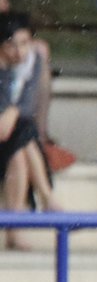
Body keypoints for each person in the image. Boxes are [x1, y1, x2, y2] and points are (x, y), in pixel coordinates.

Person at [0, 13, 60, 251]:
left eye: (24, 43)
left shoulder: (33, 62)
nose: (19, 51)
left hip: (13, 139)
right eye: (11, 45)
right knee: (24, 132)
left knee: (19, 153)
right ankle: (47, 197)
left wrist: (13, 112)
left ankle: (14, 232)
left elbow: (28, 105)